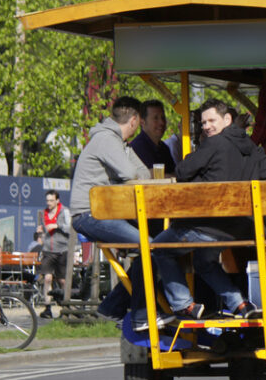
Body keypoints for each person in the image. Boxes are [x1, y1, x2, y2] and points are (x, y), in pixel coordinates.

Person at [142, 98, 266, 329]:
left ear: (227, 120)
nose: (206, 126)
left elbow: (183, 170)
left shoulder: (214, 144)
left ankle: (183, 304)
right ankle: (240, 305)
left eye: (211, 120)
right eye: (203, 122)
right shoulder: (250, 147)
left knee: (159, 249)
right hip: (239, 228)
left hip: (206, 225)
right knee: (204, 262)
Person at [69, 96, 159, 326]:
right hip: (90, 215)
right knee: (149, 245)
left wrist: (128, 156)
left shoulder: (118, 143)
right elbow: (131, 173)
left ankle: (113, 307)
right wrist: (130, 163)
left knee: (159, 243)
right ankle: (140, 314)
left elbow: (145, 174)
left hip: (103, 213)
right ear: (135, 120)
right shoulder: (107, 140)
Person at [37, 190, 71, 319]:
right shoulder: (43, 213)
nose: (49, 203)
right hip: (48, 250)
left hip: (62, 249)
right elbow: (45, 231)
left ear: (57, 201)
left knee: (62, 280)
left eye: (51, 200)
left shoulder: (65, 211)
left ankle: (66, 308)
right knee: (47, 278)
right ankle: (47, 308)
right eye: (47, 200)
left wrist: (57, 225)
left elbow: (70, 227)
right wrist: (40, 233)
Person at [129, 99, 176, 174]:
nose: (161, 122)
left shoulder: (164, 148)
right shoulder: (137, 148)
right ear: (142, 121)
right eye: (155, 118)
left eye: (163, 117)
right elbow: (149, 178)